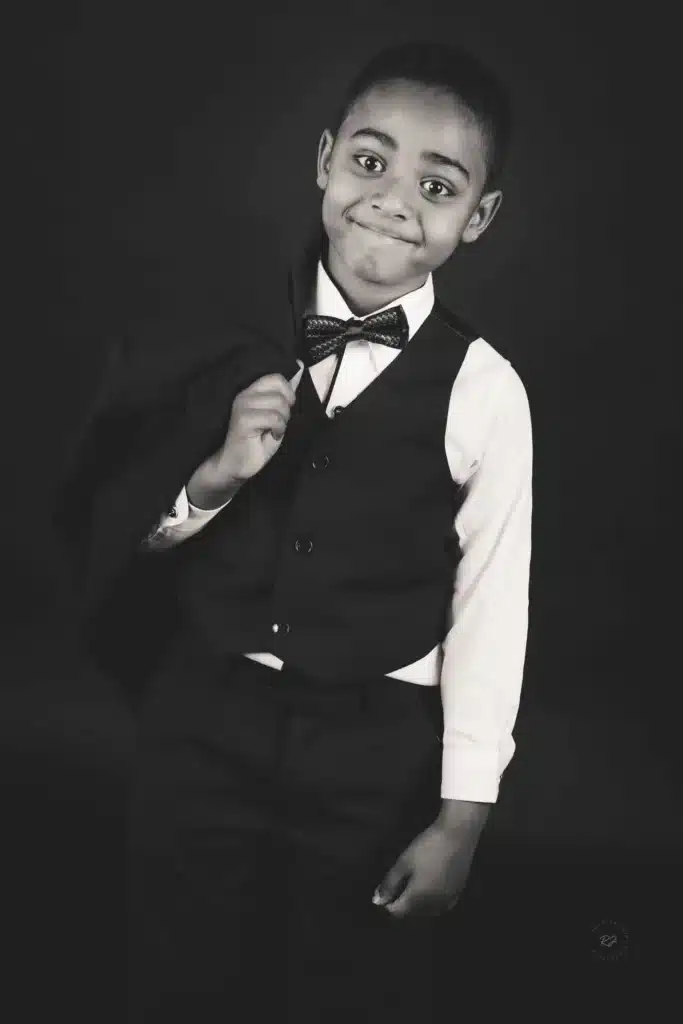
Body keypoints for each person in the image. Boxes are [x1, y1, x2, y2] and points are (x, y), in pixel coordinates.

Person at [58, 40, 533, 1023]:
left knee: (343, 981)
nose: (391, 201)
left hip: (372, 747)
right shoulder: (225, 330)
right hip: (203, 711)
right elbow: (118, 528)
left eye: (435, 186)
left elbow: (493, 606)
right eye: (369, 161)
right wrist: (213, 479)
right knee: (178, 970)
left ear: (478, 216)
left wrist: (463, 816)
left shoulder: (486, 391)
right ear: (324, 160)